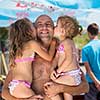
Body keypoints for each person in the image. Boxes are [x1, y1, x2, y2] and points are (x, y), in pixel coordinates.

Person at [2, 15, 89, 100]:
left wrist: (61, 88)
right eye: (39, 24)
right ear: (34, 30)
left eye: (48, 24)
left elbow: (85, 87)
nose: (44, 27)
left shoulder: (63, 54)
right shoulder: (23, 56)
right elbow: (5, 92)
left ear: (54, 29)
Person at [6, 18, 56, 99]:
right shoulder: (32, 44)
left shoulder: (18, 49)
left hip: (16, 85)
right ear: (29, 31)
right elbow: (49, 57)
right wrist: (53, 43)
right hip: (22, 85)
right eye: (33, 27)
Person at [47, 15, 83, 100]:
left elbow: (69, 59)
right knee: (66, 94)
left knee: (52, 83)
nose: (54, 27)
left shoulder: (68, 42)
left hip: (71, 76)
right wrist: (52, 68)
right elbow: (56, 58)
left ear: (62, 31)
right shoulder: (61, 43)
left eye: (56, 26)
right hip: (67, 75)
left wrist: (58, 71)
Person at [82, 23, 100, 100]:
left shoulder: (85, 49)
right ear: (98, 32)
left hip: (91, 83)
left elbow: (89, 70)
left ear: (88, 33)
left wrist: (97, 83)